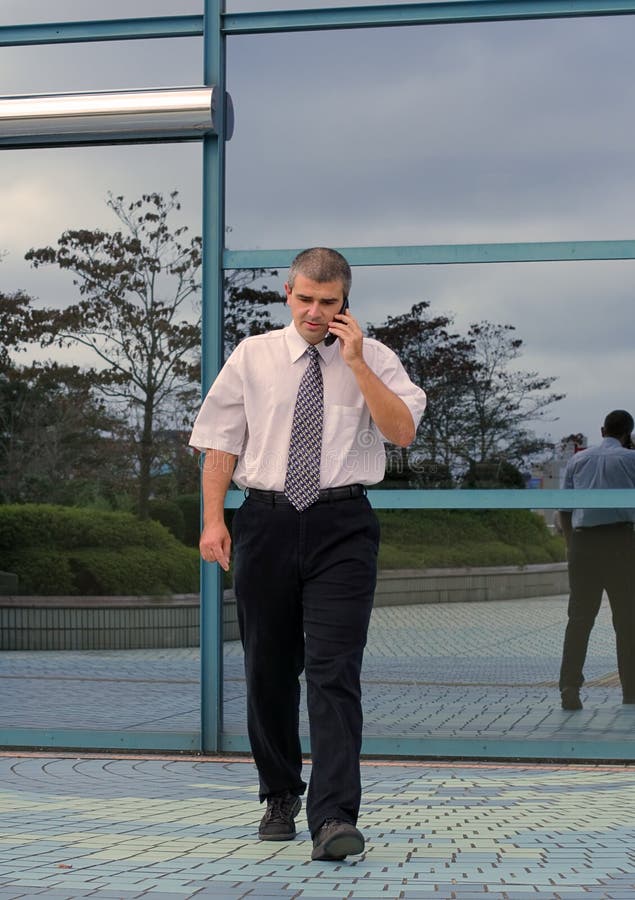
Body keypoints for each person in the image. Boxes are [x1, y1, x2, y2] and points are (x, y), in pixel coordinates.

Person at [189, 247, 426, 861]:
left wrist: (357, 364)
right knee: (268, 668)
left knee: (333, 670)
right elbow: (220, 443)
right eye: (306, 300)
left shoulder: (375, 358)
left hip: (342, 524)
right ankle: (279, 793)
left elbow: (402, 433)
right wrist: (214, 520)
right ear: (287, 295)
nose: (316, 312)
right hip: (264, 521)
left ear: (345, 301)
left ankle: (334, 817)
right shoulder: (253, 356)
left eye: (329, 302)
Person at [558, 409, 635, 711]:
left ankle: (569, 688)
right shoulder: (631, 460)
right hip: (622, 543)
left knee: (579, 620)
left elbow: (564, 509)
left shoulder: (578, 460)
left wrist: (571, 545)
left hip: (583, 543)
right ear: (627, 434)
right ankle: (631, 691)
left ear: (603, 430)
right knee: (628, 621)